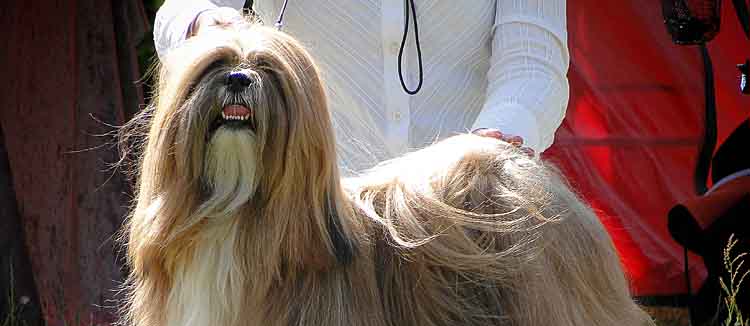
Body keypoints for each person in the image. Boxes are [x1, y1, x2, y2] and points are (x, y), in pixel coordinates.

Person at [154, 1, 569, 173]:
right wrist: (203, 23)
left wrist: (492, 146)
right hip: (308, 222)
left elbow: (532, 63)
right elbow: (181, 9)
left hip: (467, 214)